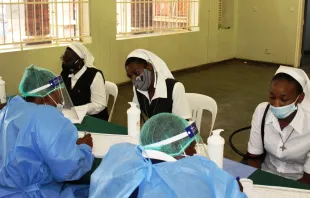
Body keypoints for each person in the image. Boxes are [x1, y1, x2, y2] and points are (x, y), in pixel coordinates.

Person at [89, 113, 245, 198]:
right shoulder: (191, 176)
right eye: (191, 146)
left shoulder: (121, 153)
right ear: (177, 148)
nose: (195, 152)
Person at [0, 65, 94, 197]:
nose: (60, 100)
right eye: (57, 93)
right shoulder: (45, 116)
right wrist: (84, 148)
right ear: (44, 97)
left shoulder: (8, 110)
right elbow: (69, 169)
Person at [247, 66, 310, 184]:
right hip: (265, 174)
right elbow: (253, 157)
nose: (276, 104)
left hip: (299, 180)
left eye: (284, 99)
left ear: (300, 98)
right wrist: (258, 183)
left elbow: (308, 177)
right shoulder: (262, 111)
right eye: (272, 97)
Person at [125, 49, 191, 120]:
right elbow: (135, 114)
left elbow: (184, 122)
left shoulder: (174, 88)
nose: (134, 79)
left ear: (149, 67)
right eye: (130, 76)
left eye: (137, 73)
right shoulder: (138, 89)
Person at [61, 42, 109, 121]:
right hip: (72, 117)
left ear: (79, 62)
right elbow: (58, 91)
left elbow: (99, 105)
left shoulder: (95, 75)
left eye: (68, 60)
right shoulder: (66, 73)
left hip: (93, 119)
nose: (64, 63)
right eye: (63, 59)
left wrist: (75, 110)